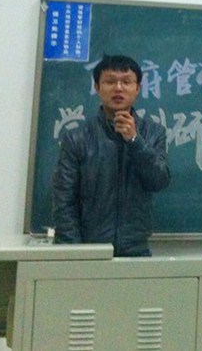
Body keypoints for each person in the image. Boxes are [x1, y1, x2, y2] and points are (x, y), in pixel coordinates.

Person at [52, 54, 171, 256]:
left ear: (137, 88)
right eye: (110, 81)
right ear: (97, 87)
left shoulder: (153, 133)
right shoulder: (77, 138)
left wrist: (134, 140)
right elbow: (64, 200)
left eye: (126, 82)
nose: (118, 88)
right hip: (89, 250)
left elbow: (159, 181)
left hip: (135, 250)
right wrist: (73, 254)